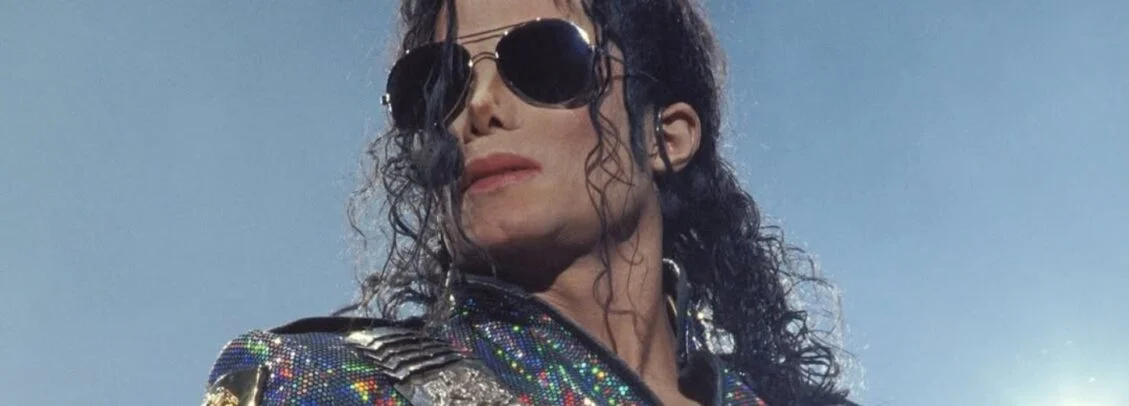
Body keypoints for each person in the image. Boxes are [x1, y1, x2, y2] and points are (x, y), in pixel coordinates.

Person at [201, 0, 857, 405]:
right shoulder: (312, 383)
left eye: (544, 61)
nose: (478, 108)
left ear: (667, 137)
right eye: (438, 85)